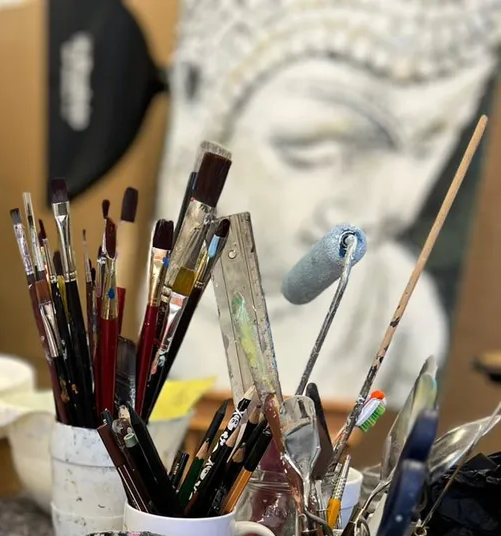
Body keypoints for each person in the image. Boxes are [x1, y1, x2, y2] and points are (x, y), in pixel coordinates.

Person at [155, 0, 500, 407]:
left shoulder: (403, 313)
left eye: (429, 147)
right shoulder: (162, 295)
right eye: (315, 146)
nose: (389, 209)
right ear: (194, 98)